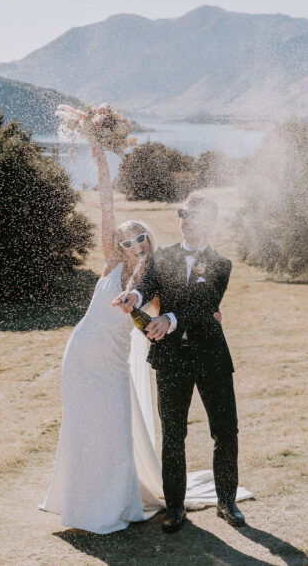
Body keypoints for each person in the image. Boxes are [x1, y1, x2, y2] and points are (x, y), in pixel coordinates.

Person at [39, 141, 165, 533]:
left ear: (148, 238)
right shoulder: (111, 262)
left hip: (112, 362)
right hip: (80, 353)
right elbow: (106, 208)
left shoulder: (154, 276)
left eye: (138, 237)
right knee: (82, 428)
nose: (132, 245)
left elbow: (158, 316)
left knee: (111, 432)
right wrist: (101, 164)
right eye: (125, 240)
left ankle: (114, 506)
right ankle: (77, 505)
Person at [114, 191, 248, 533]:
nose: (187, 221)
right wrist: (135, 296)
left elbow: (205, 307)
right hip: (171, 359)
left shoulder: (221, 264)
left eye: (194, 215)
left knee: (225, 430)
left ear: (209, 222)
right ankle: (175, 507)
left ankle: (226, 502)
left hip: (212, 358)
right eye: (183, 214)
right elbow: (148, 285)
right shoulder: (162, 258)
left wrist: (169, 320)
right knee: (173, 434)